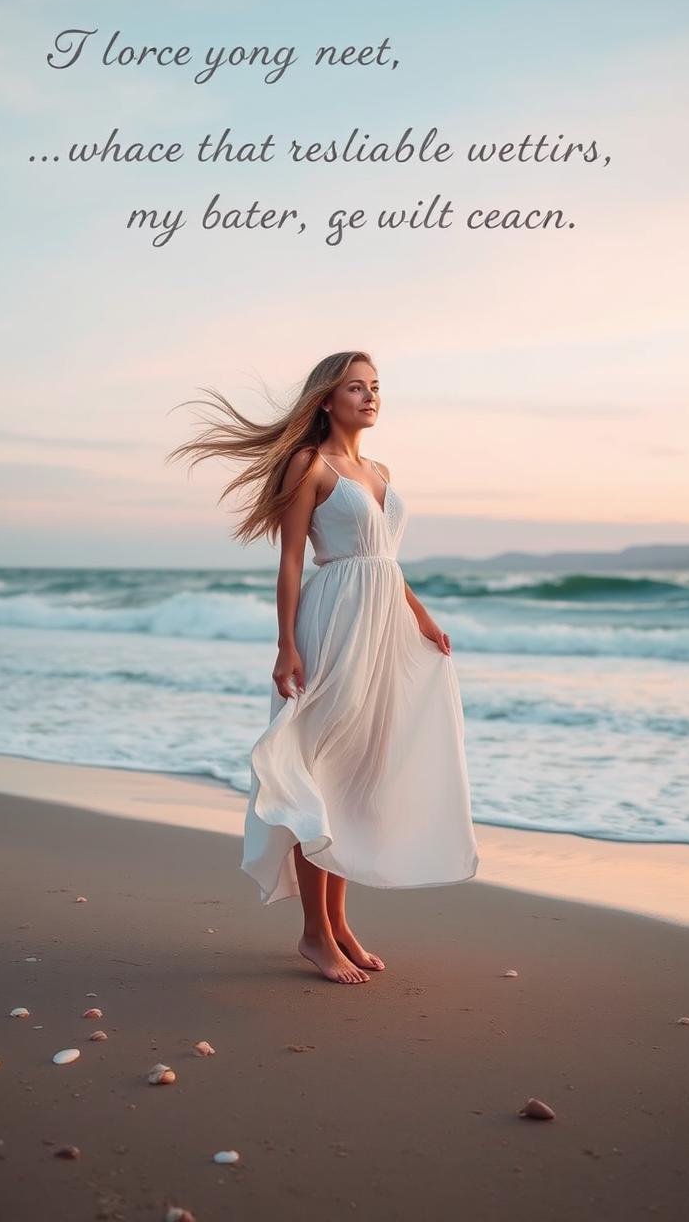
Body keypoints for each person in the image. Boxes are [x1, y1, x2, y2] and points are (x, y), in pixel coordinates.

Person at [167, 351, 479, 985]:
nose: (369, 397)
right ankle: (313, 933)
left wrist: (420, 616)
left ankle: (337, 924)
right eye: (355, 387)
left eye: (375, 387)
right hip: (333, 624)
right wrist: (285, 646)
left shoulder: (380, 470)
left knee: (355, 776)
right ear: (327, 399)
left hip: (383, 628)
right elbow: (290, 562)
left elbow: (385, 562)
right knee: (319, 770)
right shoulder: (308, 465)